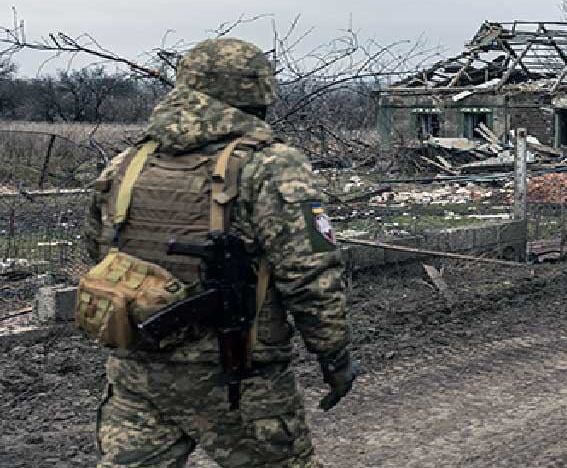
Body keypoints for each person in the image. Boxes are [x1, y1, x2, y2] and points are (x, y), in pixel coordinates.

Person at [82, 38, 360, 468]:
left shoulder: (127, 164)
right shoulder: (270, 165)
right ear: (258, 92)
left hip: (138, 372)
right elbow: (312, 276)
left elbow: (100, 256)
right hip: (238, 379)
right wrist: (334, 356)